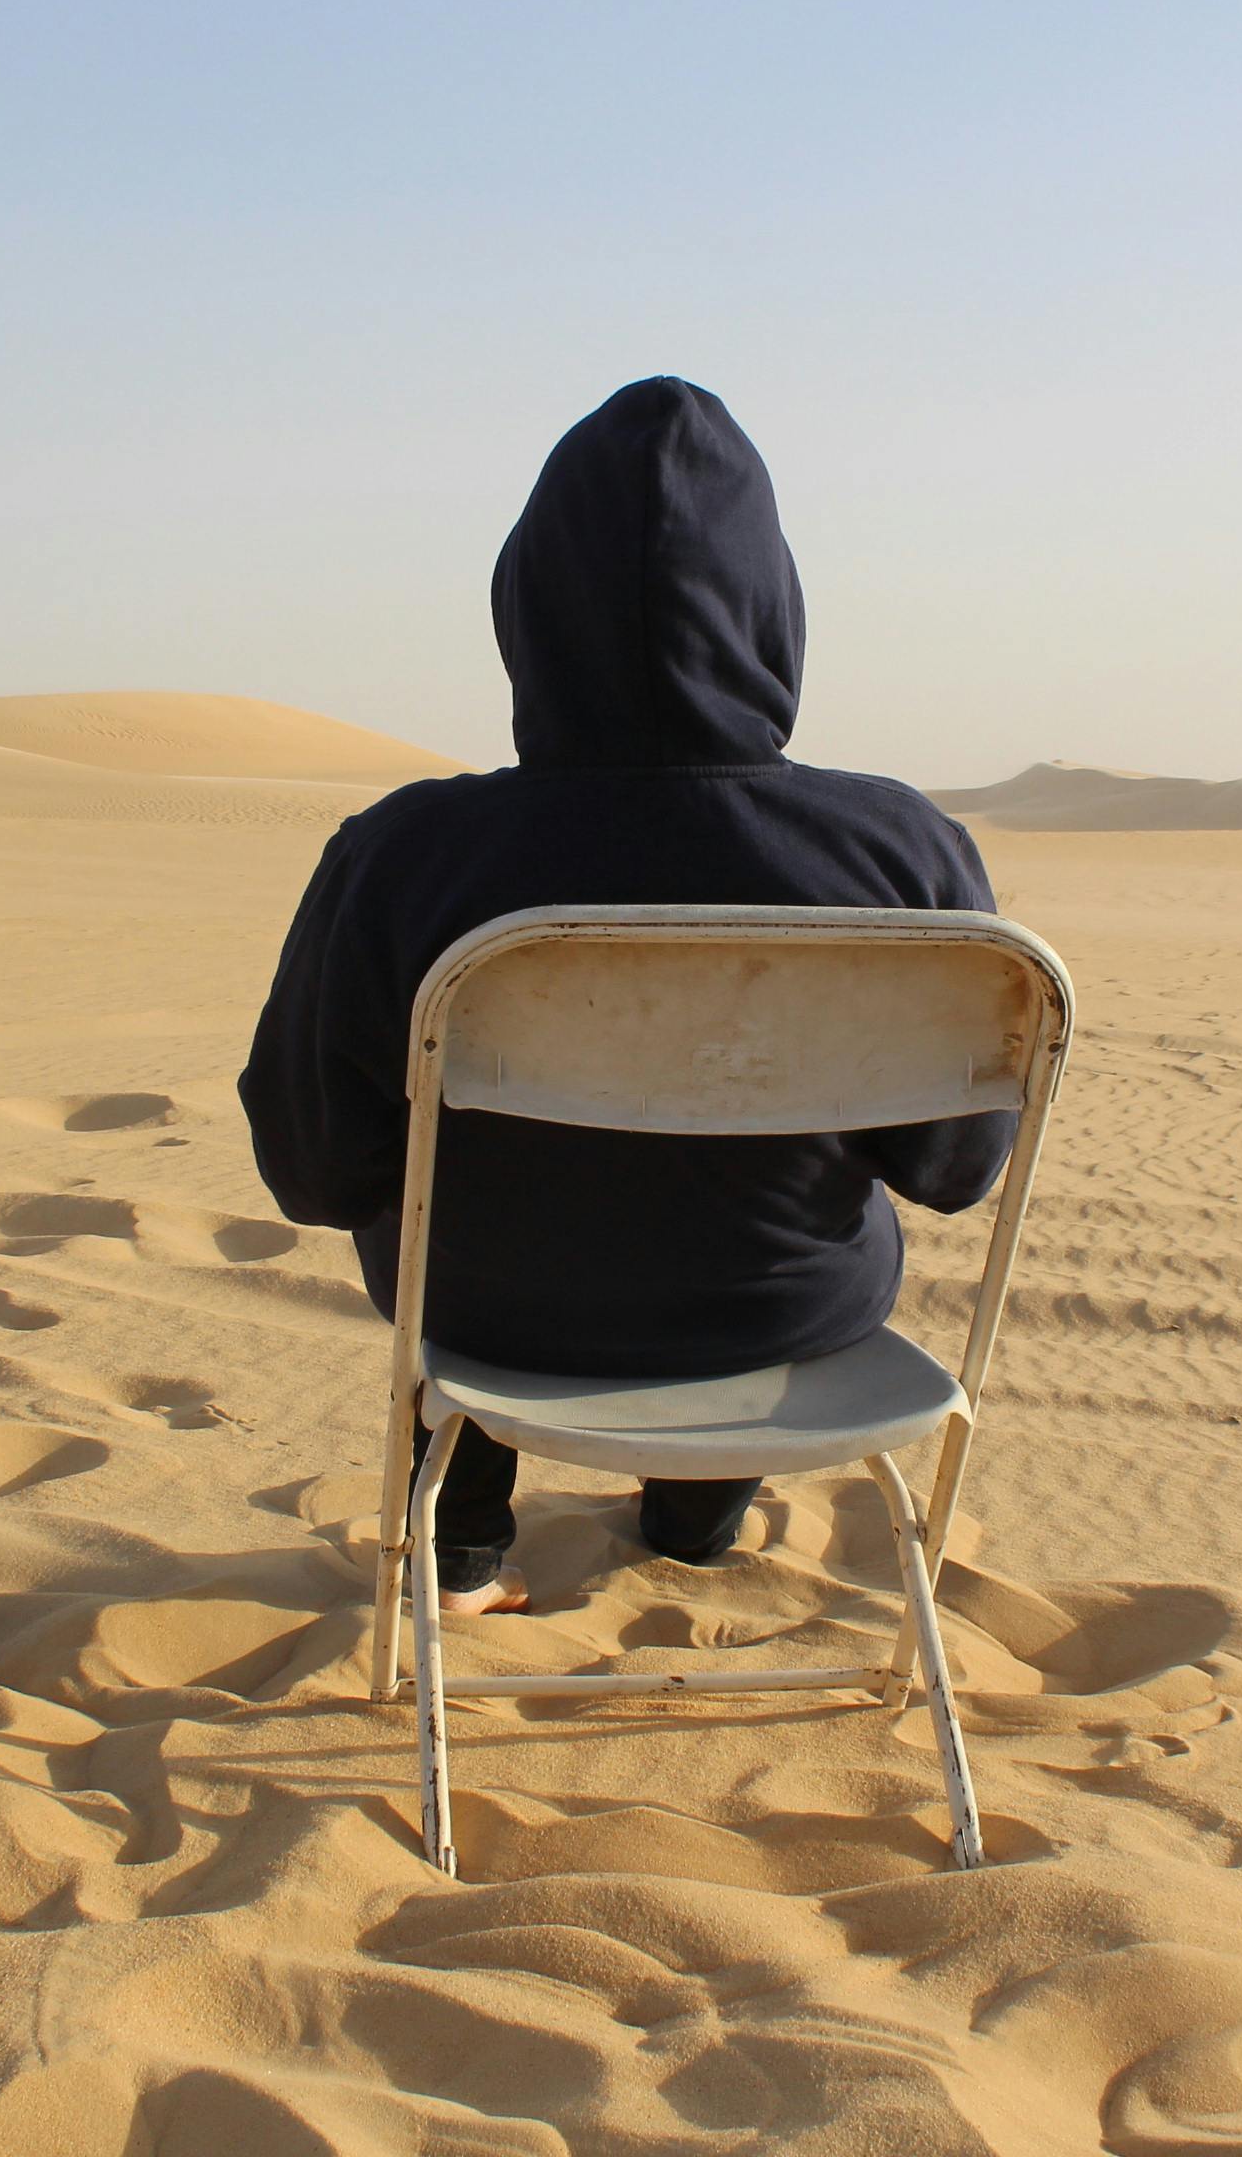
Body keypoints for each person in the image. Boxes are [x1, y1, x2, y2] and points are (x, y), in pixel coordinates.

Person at [239, 377, 1014, 1615]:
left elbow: (312, 1167)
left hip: (490, 1316)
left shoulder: (405, 851)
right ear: (773, 609)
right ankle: (699, 1520)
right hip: (786, 1320)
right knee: (739, 1229)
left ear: (529, 610)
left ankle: (461, 1541)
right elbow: (957, 1168)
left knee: (440, 1209)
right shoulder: (900, 852)